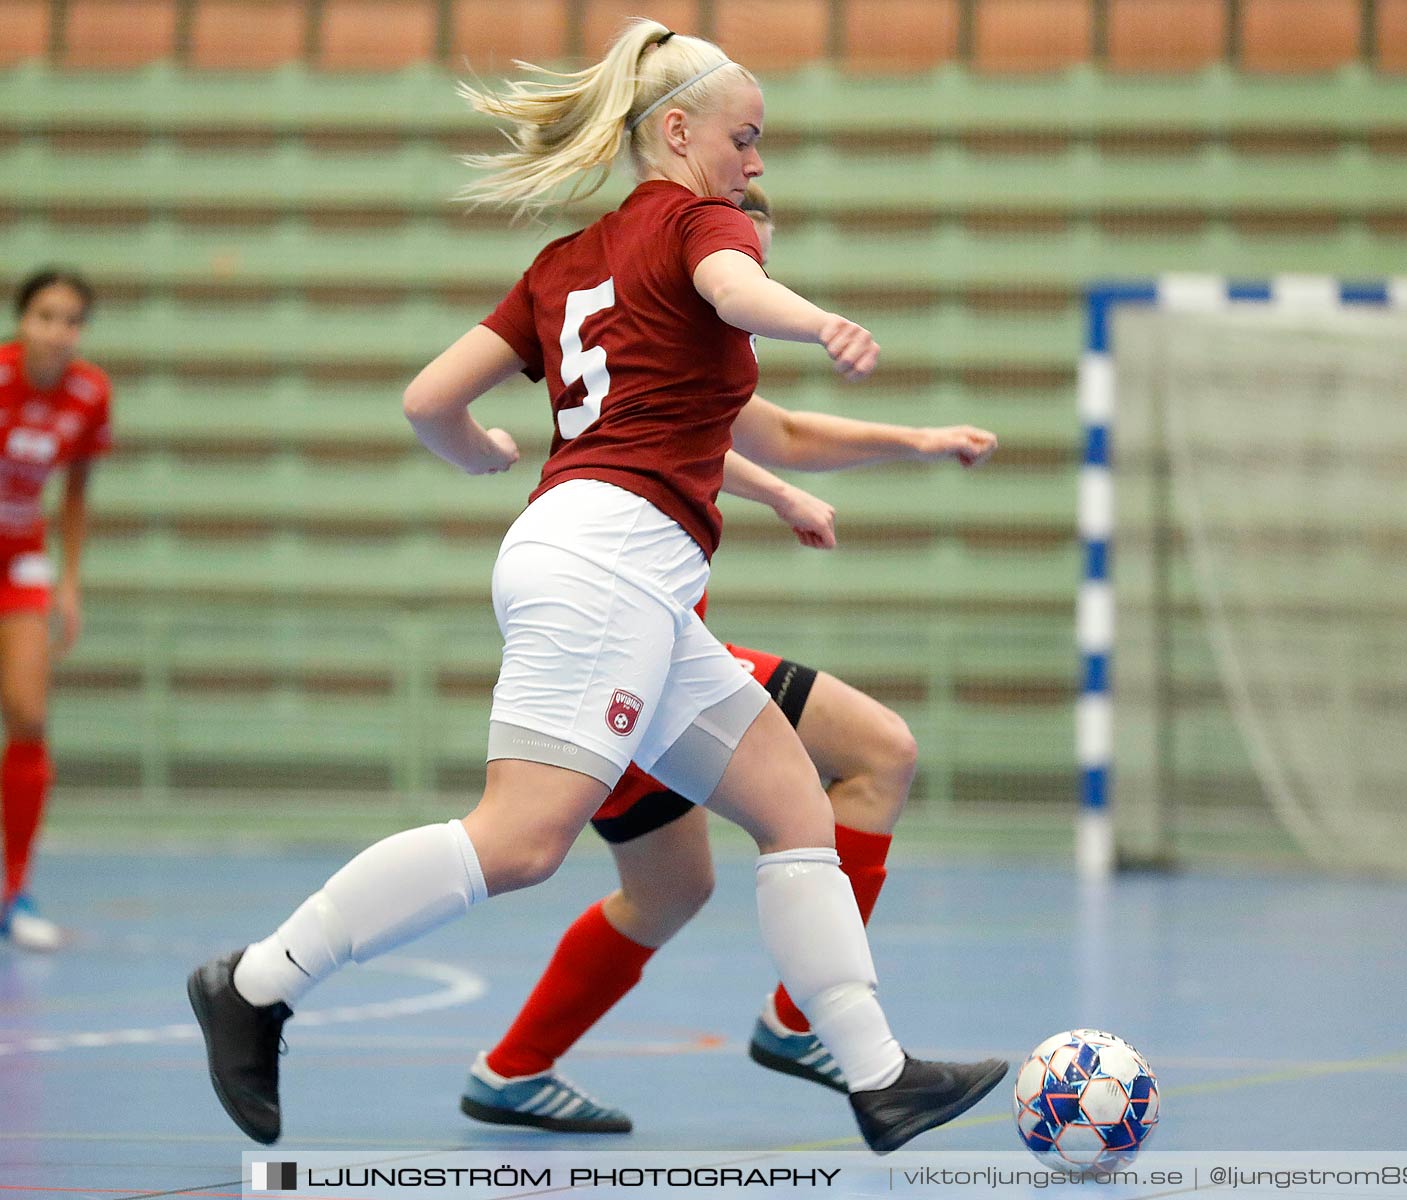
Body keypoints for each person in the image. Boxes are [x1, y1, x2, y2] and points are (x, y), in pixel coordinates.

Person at [186, 20, 1006, 1152]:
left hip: (616, 566)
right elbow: (732, 279)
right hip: (609, 563)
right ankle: (259, 981)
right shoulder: (700, 220)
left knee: (793, 804)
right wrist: (814, 319)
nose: (756, 160)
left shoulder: (569, 262)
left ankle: (876, 1076)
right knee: (520, 842)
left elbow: (430, 398)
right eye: (747, 136)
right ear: (678, 131)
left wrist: (474, 447)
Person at [459, 183, 1000, 1133]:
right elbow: (766, 432)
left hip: (654, 649)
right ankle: (804, 1021)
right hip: (635, 658)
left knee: (672, 890)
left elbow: (753, 435)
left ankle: (512, 1069)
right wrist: (818, 460)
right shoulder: (680, 319)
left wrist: (899, 446)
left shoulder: (663, 352)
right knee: (878, 753)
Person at [0, 269, 111, 952]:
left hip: (21, 563)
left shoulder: (90, 394)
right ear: (22, 321)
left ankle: (16, 892)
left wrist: (69, 582)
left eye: (71, 320)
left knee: (31, 717)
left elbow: (75, 492)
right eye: (45, 316)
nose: (57, 331)